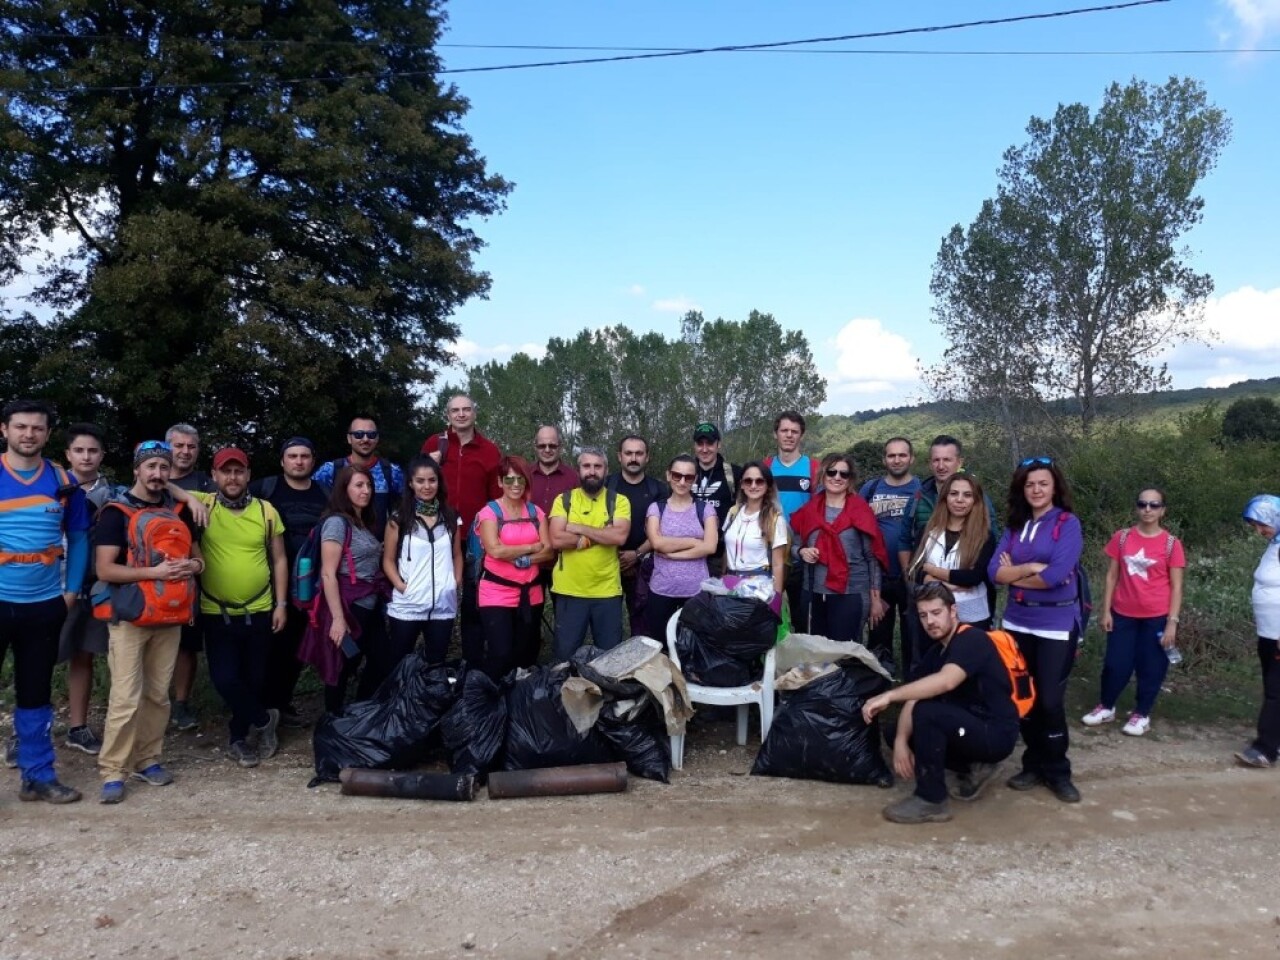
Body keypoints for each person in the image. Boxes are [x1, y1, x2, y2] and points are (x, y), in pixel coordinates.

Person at [93, 441, 203, 804]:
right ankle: (113, 771)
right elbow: (105, 569)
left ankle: (148, 759)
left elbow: (197, 557)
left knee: (158, 694)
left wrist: (193, 567)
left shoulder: (179, 511)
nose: (157, 474)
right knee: (125, 696)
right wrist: (152, 571)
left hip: (169, 615)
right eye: (151, 466)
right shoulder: (116, 513)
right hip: (129, 616)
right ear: (137, 470)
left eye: (163, 467)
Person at [862, 583, 1021, 824]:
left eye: (936, 613)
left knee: (928, 714)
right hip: (966, 726)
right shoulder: (936, 652)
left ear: (953, 611)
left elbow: (946, 682)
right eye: (924, 616)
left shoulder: (972, 639)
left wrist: (890, 696)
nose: (930, 622)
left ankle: (931, 799)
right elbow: (915, 696)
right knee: (896, 730)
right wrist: (901, 742)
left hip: (994, 733)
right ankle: (972, 766)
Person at [0, 399, 91, 803]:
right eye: (20, 427)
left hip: (45, 603)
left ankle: (38, 774)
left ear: (48, 434)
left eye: (37, 428)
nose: (28, 434)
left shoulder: (62, 479)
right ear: (5, 430)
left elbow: (80, 537)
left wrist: (70, 591)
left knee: (35, 691)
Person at [988, 456, 1084, 803]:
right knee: (1024, 697)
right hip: (1017, 621)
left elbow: (1056, 575)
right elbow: (993, 573)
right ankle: (1032, 764)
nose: (1036, 489)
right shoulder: (1015, 527)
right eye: (1030, 484)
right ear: (1021, 489)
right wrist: (1030, 567)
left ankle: (1058, 770)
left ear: (1055, 486)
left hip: (1056, 624)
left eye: (1043, 483)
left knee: (1051, 701)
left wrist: (1017, 575)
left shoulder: (1067, 524)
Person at [189, 447, 288, 768]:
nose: (232, 477)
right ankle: (264, 721)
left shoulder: (266, 511)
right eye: (225, 471)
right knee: (225, 678)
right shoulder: (202, 505)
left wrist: (281, 603)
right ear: (214, 475)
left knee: (254, 678)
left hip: (260, 608)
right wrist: (189, 498)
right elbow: (163, 484)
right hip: (217, 612)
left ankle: (238, 738)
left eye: (239, 471)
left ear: (248, 475)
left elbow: (280, 559)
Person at [1083, 488, 1186, 737]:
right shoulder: (1122, 538)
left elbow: (1177, 586)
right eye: (1142, 504)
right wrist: (1105, 610)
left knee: (1151, 666)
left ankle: (1142, 713)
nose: (1147, 509)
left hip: (1157, 616)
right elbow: (1111, 576)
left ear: (1163, 510)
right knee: (1115, 664)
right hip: (1123, 613)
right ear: (1137, 507)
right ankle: (1106, 706)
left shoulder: (1172, 544)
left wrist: (1172, 622)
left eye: (1154, 505)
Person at [251, 437, 329, 727]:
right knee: (266, 648)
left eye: (305, 456)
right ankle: (259, 708)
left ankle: (280, 703)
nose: (299, 461)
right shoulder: (263, 489)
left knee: (295, 648)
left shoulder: (325, 493)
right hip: (265, 582)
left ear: (312, 461)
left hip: (310, 586)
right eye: (293, 455)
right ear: (282, 460)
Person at [421, 395, 502, 666]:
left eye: (467, 409)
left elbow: (495, 500)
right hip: (436, 535)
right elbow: (418, 484)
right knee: (433, 596)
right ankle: (431, 662)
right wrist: (430, 462)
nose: (461, 414)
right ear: (448, 415)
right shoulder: (435, 444)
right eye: (455, 410)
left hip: (474, 539)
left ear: (474, 413)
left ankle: (472, 664)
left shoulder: (489, 450)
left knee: (472, 603)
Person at [57, 423, 120, 756]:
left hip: (96, 587)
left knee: (83, 656)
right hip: (54, 584)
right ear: (68, 454)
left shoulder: (113, 493)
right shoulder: (53, 487)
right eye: (79, 450)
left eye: (92, 450)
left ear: (102, 455)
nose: (86, 456)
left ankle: (78, 728)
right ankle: (23, 735)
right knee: (36, 658)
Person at [311, 465, 391, 715]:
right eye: (358, 485)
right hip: (348, 605)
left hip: (369, 605)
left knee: (379, 660)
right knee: (342, 665)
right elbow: (328, 572)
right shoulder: (336, 523)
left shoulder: (361, 523)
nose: (366, 491)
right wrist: (337, 618)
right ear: (344, 489)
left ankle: (357, 711)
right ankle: (333, 719)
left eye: (368, 485)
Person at [790, 455, 887, 642]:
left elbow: (872, 557)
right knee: (817, 653)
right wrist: (801, 552)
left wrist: (875, 599)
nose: (837, 477)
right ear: (823, 475)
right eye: (832, 472)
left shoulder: (861, 510)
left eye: (844, 473)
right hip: (813, 591)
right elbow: (794, 545)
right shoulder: (809, 510)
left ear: (850, 479)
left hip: (851, 591)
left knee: (845, 652)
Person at [548, 447, 632, 661]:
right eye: (587, 466)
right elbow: (556, 539)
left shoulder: (619, 501)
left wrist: (578, 528)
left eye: (597, 466)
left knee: (609, 660)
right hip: (569, 591)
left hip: (607, 591)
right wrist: (603, 533)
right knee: (565, 658)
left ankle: (607, 696)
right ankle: (564, 695)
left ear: (606, 470)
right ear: (578, 470)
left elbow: (620, 537)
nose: (592, 471)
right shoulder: (564, 500)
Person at [475, 455, 554, 677]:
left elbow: (548, 551)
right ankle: (492, 700)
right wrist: (532, 546)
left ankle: (519, 702)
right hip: (496, 591)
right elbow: (495, 550)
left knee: (526, 653)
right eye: (509, 480)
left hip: (531, 593)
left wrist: (524, 559)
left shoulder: (536, 512)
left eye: (521, 479)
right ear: (500, 482)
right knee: (501, 653)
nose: (516, 485)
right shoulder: (489, 512)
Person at [382, 456, 462, 668]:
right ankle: (399, 701)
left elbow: (457, 555)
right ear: (410, 483)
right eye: (420, 481)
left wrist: (454, 582)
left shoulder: (451, 517)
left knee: (436, 664)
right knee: (399, 662)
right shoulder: (399, 518)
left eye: (432, 480)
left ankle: (429, 701)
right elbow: (388, 560)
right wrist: (401, 586)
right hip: (408, 603)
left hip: (442, 604)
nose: (427, 486)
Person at [165, 421, 214, 734]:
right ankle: (152, 702)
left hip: (191, 572)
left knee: (187, 645)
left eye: (191, 446)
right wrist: (184, 494)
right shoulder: (150, 473)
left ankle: (181, 704)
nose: (184, 451)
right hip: (148, 574)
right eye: (178, 445)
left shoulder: (207, 484)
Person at [907, 473, 998, 634]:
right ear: (945, 497)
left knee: (967, 658)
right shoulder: (928, 531)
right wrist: (947, 584)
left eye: (967, 495)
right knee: (933, 659)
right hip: (932, 615)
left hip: (972, 618)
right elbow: (915, 569)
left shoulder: (985, 536)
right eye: (954, 493)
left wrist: (933, 571)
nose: (959, 500)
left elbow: (974, 577)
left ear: (975, 501)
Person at [861, 437, 922, 674]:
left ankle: (913, 683)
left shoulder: (921, 490)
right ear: (884, 459)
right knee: (878, 634)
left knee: (914, 634)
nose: (896, 460)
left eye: (902, 455)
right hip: (879, 576)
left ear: (911, 458)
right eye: (891, 455)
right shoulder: (871, 489)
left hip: (912, 575)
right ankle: (877, 683)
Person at [644, 455, 719, 633]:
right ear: (669, 475)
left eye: (689, 477)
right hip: (662, 590)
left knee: (694, 647)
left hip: (696, 592)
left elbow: (710, 547)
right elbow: (656, 543)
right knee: (659, 645)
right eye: (677, 475)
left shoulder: (705, 509)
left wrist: (672, 554)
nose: (682, 481)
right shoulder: (656, 508)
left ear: (695, 479)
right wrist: (694, 542)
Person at [606, 435, 666, 638]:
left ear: (647, 457)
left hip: (644, 564)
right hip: (608, 562)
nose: (633, 458)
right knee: (608, 622)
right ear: (619, 456)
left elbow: (662, 530)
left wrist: (637, 554)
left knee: (641, 621)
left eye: (639, 453)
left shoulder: (658, 489)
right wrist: (617, 555)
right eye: (628, 453)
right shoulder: (607, 486)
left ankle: (642, 664)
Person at [1236, 495, 1280, 768]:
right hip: (1269, 632)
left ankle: (1265, 749)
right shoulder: (1275, 544)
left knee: (1276, 691)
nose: (1258, 531)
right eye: (1254, 525)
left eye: (1262, 524)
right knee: (1273, 687)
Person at [762, 411, 818, 621]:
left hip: (801, 552)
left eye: (794, 431)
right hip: (769, 550)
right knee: (768, 612)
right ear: (775, 434)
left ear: (801, 435)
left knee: (801, 616)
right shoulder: (765, 467)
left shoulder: (813, 468)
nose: (789, 435)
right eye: (784, 430)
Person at [313, 416, 403, 538]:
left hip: (379, 550)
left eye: (371, 435)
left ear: (377, 439)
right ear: (349, 438)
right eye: (359, 434)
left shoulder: (392, 471)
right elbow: (310, 502)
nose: (365, 439)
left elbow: (409, 505)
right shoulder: (330, 470)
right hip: (338, 548)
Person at [720, 461, 788, 612]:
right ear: (742, 485)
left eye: (759, 481)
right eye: (748, 480)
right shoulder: (733, 513)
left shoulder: (775, 519)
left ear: (767, 486)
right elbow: (727, 552)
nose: (753, 485)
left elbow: (778, 564)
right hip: (730, 586)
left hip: (759, 591)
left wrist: (775, 601)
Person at [690, 422, 736, 575]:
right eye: (700, 444)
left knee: (715, 598)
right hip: (689, 551)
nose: (704, 449)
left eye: (709, 443)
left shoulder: (734, 473)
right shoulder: (683, 473)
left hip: (721, 555)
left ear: (718, 445)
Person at [528, 425, 578, 515]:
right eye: (542, 446)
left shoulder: (574, 478)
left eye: (552, 446)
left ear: (560, 447)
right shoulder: (524, 475)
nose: (547, 450)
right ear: (535, 447)